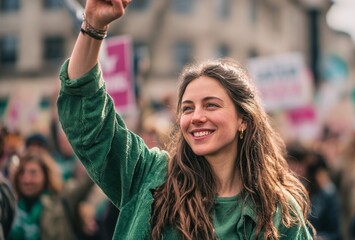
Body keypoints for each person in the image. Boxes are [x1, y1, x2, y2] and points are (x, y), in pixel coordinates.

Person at [56, 0, 314, 239]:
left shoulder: (279, 212)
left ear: (243, 120)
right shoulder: (151, 178)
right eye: (188, 108)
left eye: (211, 105)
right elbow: (89, 119)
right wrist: (93, 26)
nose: (197, 117)